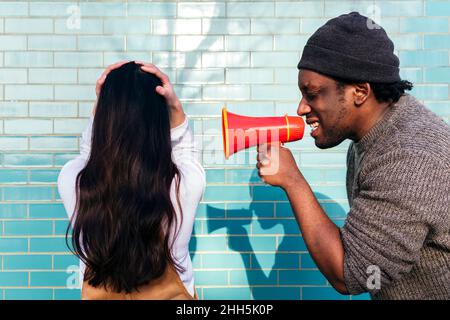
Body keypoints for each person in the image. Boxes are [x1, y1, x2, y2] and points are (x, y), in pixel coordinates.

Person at [256, 12, 450, 299]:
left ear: (360, 92)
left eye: (312, 94)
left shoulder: (409, 158)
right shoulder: (371, 136)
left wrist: (292, 181)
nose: (301, 108)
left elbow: (351, 274)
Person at [57, 61, 205, 299]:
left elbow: (88, 152)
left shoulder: (72, 180)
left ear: (104, 119)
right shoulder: (185, 184)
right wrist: (175, 107)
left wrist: (103, 104)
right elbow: (185, 151)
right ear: (158, 122)